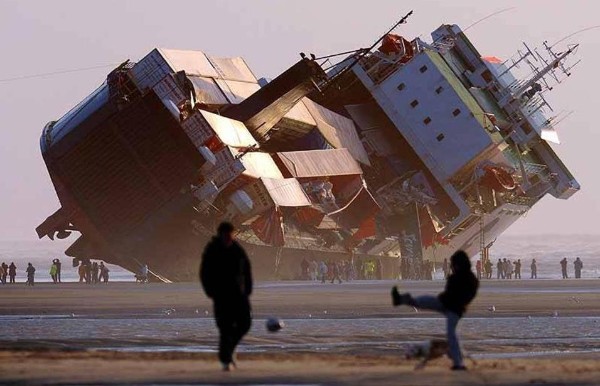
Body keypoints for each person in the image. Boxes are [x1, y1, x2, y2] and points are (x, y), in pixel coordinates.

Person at [391, 250, 479, 370]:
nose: (453, 267)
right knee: (425, 301)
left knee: (452, 335)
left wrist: (454, 300)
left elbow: (465, 296)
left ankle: (458, 363)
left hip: (455, 309)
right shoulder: (462, 278)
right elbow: (452, 293)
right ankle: (403, 299)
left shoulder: (468, 279)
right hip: (448, 304)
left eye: (454, 265)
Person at [200, 222, 253, 371]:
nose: (229, 238)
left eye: (231, 235)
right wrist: (210, 291)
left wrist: (248, 289)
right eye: (226, 235)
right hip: (221, 295)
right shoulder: (212, 250)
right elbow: (205, 272)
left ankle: (228, 351)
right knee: (225, 328)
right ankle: (226, 360)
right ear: (221, 235)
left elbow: (246, 270)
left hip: (239, 294)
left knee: (245, 324)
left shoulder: (237, 249)